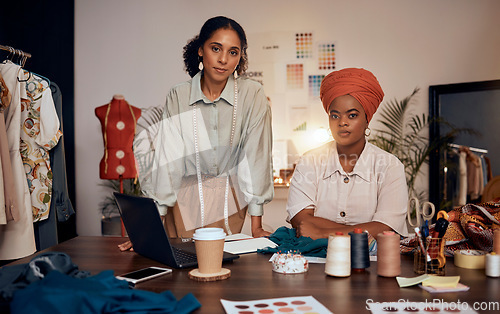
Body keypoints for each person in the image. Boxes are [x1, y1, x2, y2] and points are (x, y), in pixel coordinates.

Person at [120, 16, 273, 250]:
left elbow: (256, 157)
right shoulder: (178, 96)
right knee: (178, 271)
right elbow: (167, 160)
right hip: (182, 204)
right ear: (201, 50)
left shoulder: (253, 95)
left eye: (233, 52)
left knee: (224, 274)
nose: (223, 59)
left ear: (240, 57)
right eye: (216, 49)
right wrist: (153, 226)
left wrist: (256, 224)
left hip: (230, 204)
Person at [286, 68, 408, 240]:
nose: (342, 122)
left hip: (372, 264)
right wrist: (365, 229)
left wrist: (323, 232)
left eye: (352, 115)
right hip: (317, 263)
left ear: (367, 119)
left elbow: (386, 228)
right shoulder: (309, 161)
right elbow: (302, 222)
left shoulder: (390, 166)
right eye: (334, 116)